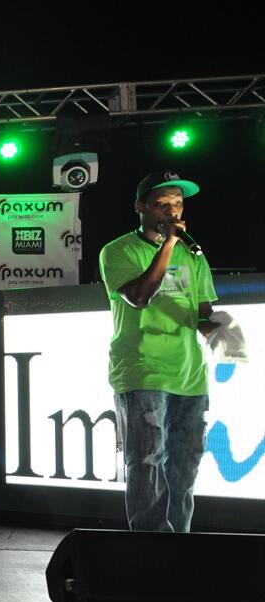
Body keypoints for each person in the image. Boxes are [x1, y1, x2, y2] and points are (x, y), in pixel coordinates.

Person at [99, 170, 218, 533]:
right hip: (143, 371)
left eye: (177, 203)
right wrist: (168, 244)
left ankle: (178, 547)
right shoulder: (118, 250)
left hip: (190, 376)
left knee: (184, 469)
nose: (172, 211)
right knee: (147, 463)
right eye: (162, 204)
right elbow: (138, 297)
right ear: (141, 207)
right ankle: (150, 552)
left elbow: (203, 312)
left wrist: (222, 330)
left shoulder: (193, 255)